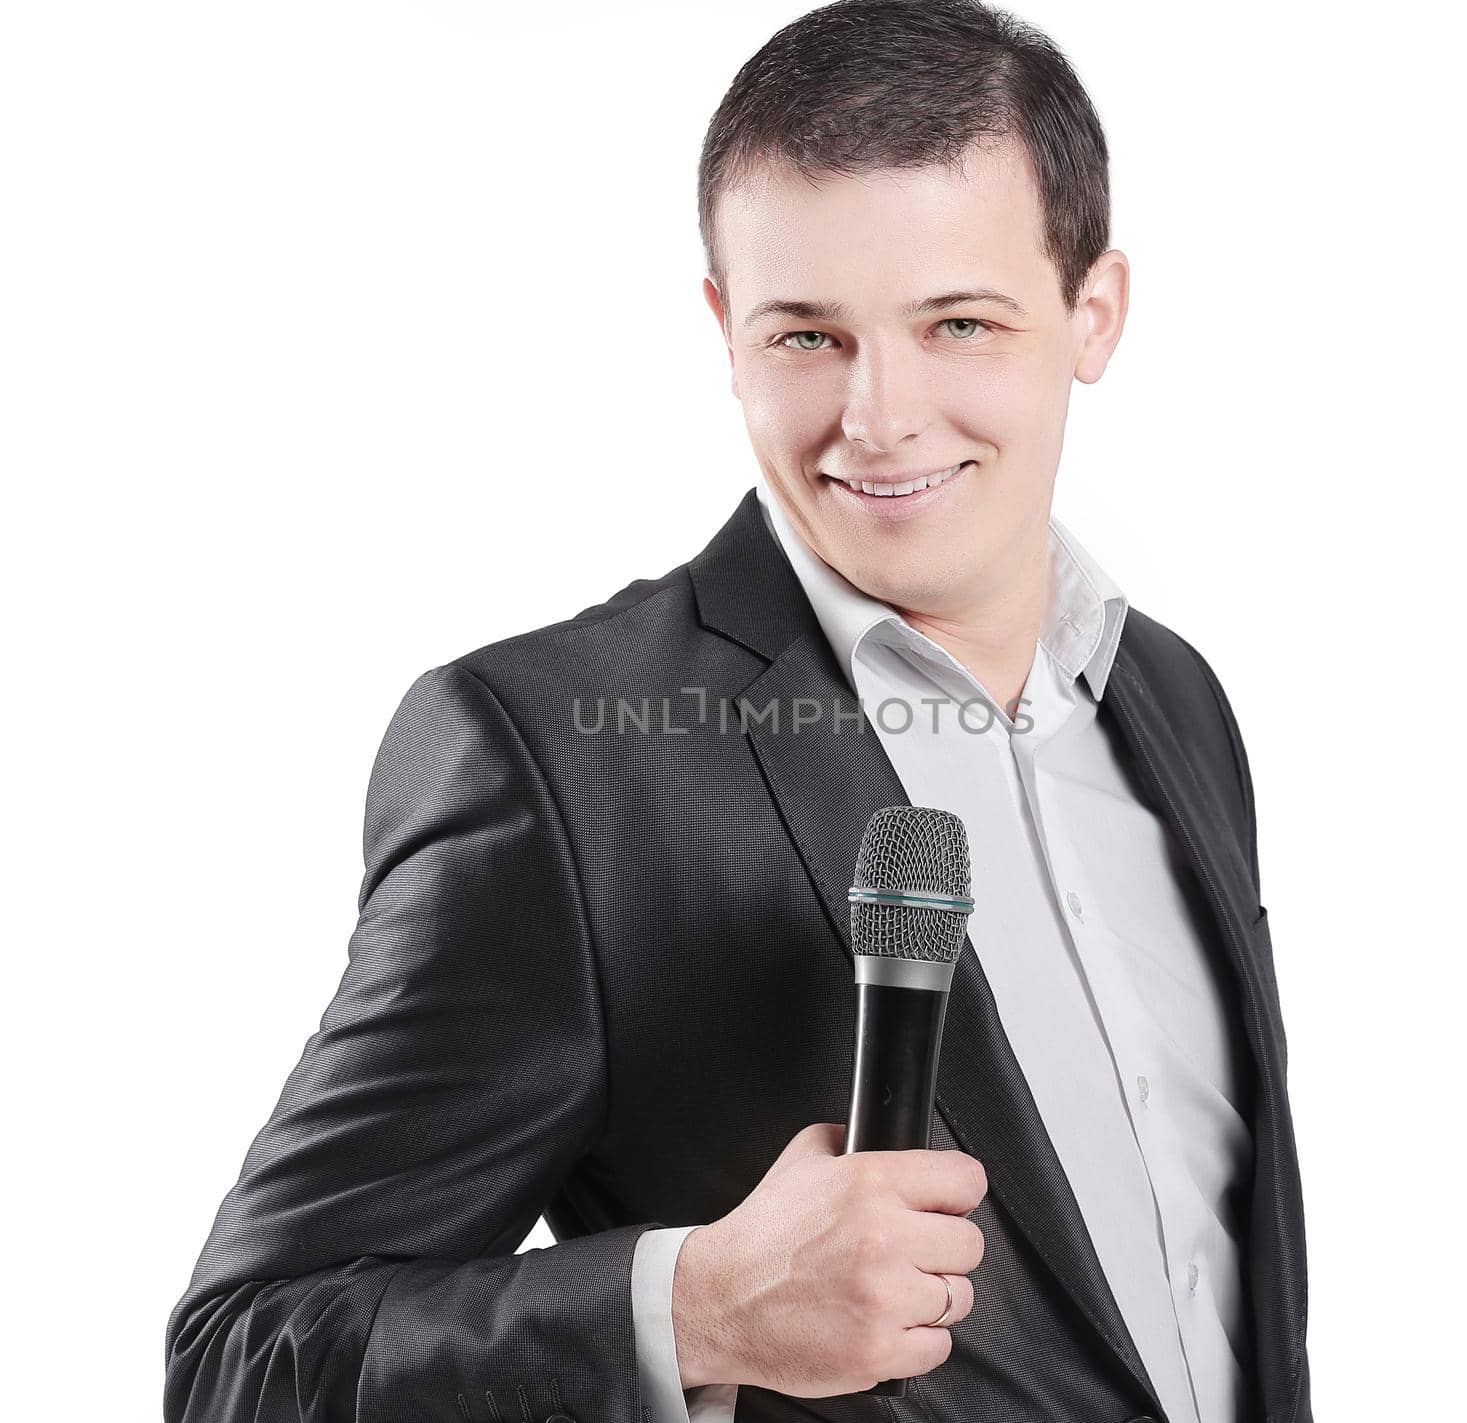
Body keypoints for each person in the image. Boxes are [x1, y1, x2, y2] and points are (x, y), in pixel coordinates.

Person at [164, 3, 1311, 1421]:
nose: (879, 417)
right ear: (724, 325)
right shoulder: (561, 759)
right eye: (808, 335)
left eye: (958, 322)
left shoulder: (1173, 701)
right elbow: (246, 1361)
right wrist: (695, 1308)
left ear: (1095, 312)